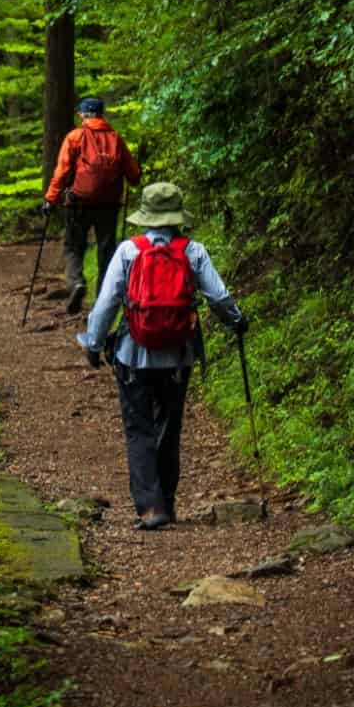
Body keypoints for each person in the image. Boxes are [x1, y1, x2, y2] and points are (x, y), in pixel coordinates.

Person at [77, 182, 247, 530]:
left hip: (132, 355)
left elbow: (107, 303)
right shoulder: (193, 251)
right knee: (169, 428)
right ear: (176, 217)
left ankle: (150, 508)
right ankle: (167, 503)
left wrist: (94, 344)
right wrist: (237, 321)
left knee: (138, 428)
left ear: (147, 217)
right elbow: (218, 296)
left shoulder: (128, 251)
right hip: (178, 356)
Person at [41, 96, 141, 314]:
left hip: (79, 202)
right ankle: (102, 302)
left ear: (83, 115)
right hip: (109, 205)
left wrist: (50, 199)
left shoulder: (75, 137)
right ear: (102, 115)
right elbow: (134, 175)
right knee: (106, 250)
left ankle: (77, 282)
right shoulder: (116, 138)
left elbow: (62, 171)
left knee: (74, 246)